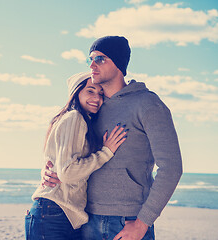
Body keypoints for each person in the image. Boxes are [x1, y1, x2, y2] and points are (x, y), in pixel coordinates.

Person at [42, 36, 183, 240]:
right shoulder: (91, 109)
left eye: (100, 58)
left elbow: (171, 167)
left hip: (128, 221)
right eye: (90, 59)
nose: (92, 65)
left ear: (118, 63)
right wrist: (49, 170)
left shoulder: (148, 104)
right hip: (86, 220)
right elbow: (65, 149)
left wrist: (143, 223)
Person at [25, 72, 128, 240]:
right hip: (54, 214)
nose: (97, 98)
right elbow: (67, 172)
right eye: (90, 91)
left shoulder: (72, 119)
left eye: (101, 93)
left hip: (57, 214)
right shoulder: (75, 117)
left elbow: (53, 162)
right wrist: (106, 152)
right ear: (76, 92)